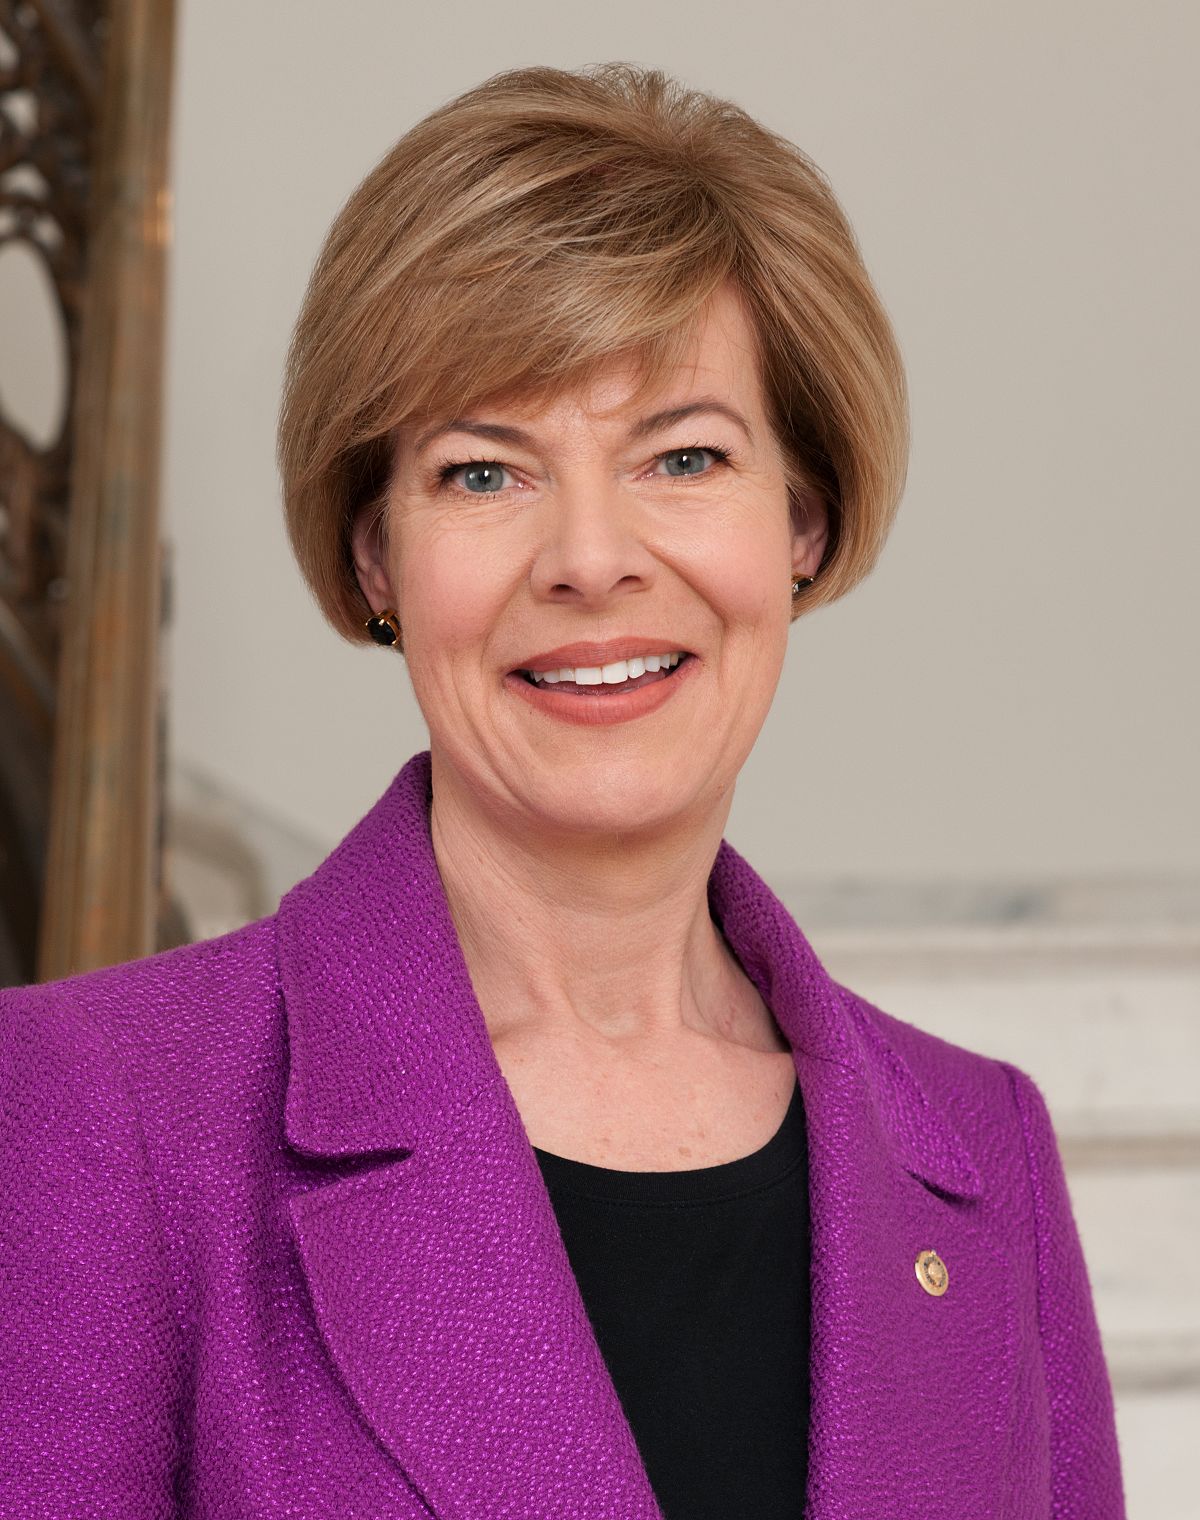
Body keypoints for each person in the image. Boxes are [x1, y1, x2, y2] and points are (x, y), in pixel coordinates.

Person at [0, 62, 1123, 1520]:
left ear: (803, 519)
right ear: (372, 557)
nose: (592, 558)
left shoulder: (987, 1159)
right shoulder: (103, 1111)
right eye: (484, 474)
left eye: (686, 455)